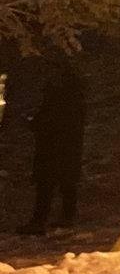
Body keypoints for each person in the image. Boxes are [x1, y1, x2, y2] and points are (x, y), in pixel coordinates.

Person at [17, 54, 86, 235]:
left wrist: (35, 124)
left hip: (54, 146)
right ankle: (63, 218)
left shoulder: (60, 94)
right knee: (65, 183)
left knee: (48, 183)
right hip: (65, 146)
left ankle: (42, 221)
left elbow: (50, 118)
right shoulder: (72, 93)